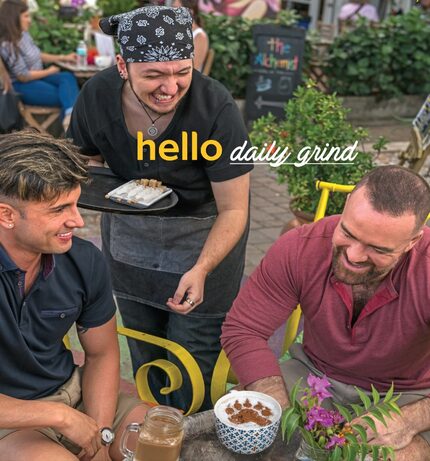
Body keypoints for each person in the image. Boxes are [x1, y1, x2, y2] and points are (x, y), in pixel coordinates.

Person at [67, 5, 252, 412]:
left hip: (204, 243)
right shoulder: (97, 96)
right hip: (130, 242)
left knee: (193, 370)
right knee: (145, 353)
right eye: (154, 75)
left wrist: (202, 270)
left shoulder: (215, 107)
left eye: (181, 72)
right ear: (122, 65)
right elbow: (83, 161)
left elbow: (235, 209)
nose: (170, 87)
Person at [221, 166, 430, 461]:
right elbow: (244, 329)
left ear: (412, 242)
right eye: (347, 232)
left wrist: (411, 419)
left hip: (407, 395)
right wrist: (276, 402)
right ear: (343, 211)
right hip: (314, 376)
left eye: (377, 249)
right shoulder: (301, 246)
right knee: (243, 433)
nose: (354, 255)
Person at [0, 130, 149, 461]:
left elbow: (102, 354)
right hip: (11, 419)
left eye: (76, 203)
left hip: (75, 393)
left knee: (162, 436)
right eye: (59, 209)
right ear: (7, 215)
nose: (78, 221)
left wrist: (99, 434)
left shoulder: (83, 260)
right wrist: (61, 418)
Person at [0, 0, 80, 131]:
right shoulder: (7, 44)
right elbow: (23, 76)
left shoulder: (23, 34)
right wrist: (50, 71)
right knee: (68, 94)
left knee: (67, 77)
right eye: (26, 16)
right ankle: (72, 126)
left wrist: (63, 57)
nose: (30, 20)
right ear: (13, 18)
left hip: (37, 77)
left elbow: (37, 55)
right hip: (22, 86)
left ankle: (70, 119)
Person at [173, 0, 209, 72]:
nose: (173, 13)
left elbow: (194, 67)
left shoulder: (200, 36)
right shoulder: (177, 32)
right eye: (172, 8)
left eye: (176, 9)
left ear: (190, 12)